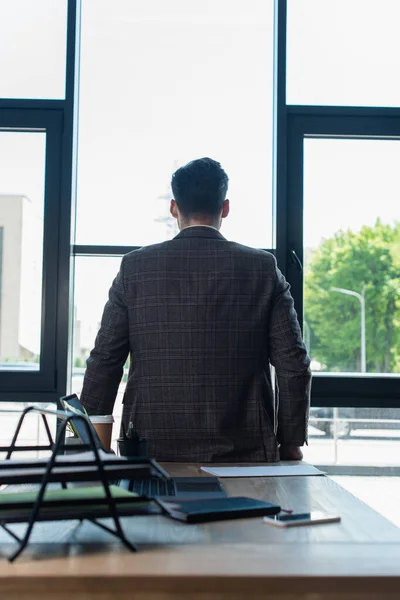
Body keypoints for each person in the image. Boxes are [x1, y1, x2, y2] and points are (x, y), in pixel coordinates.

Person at [80, 157, 311, 462]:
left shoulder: (136, 268)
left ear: (174, 207)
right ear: (225, 208)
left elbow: (105, 360)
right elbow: (294, 363)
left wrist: (88, 443)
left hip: (150, 452)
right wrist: (291, 442)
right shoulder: (261, 268)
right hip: (245, 453)